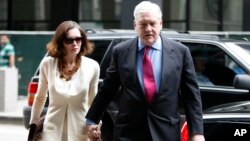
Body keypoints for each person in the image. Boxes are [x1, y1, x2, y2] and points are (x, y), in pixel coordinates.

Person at [86, 1, 205, 141]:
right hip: (128, 133)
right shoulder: (121, 52)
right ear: (135, 25)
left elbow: (191, 96)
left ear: (160, 24)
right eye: (143, 24)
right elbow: (107, 90)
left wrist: (197, 132)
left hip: (166, 132)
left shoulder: (180, 52)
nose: (148, 29)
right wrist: (91, 120)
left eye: (152, 24)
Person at [29, 20, 100, 141]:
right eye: (69, 40)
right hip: (51, 132)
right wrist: (33, 125)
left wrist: (95, 125)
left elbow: (93, 100)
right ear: (61, 42)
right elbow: (40, 97)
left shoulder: (92, 66)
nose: (75, 44)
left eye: (78, 39)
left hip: (80, 132)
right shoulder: (48, 64)